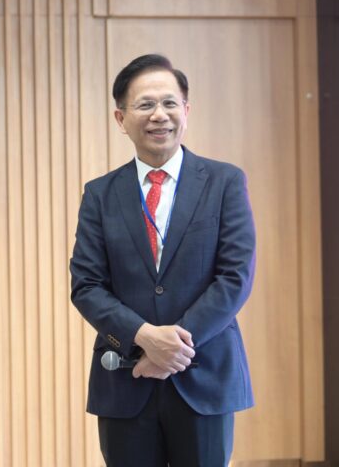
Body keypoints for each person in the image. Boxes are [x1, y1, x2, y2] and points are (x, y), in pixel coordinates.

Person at [70, 54, 256, 466]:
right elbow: (86, 285)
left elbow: (235, 277)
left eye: (170, 103)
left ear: (186, 111)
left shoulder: (225, 182)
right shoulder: (100, 194)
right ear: (121, 118)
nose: (160, 115)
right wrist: (143, 339)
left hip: (204, 375)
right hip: (125, 377)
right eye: (145, 105)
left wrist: (173, 348)